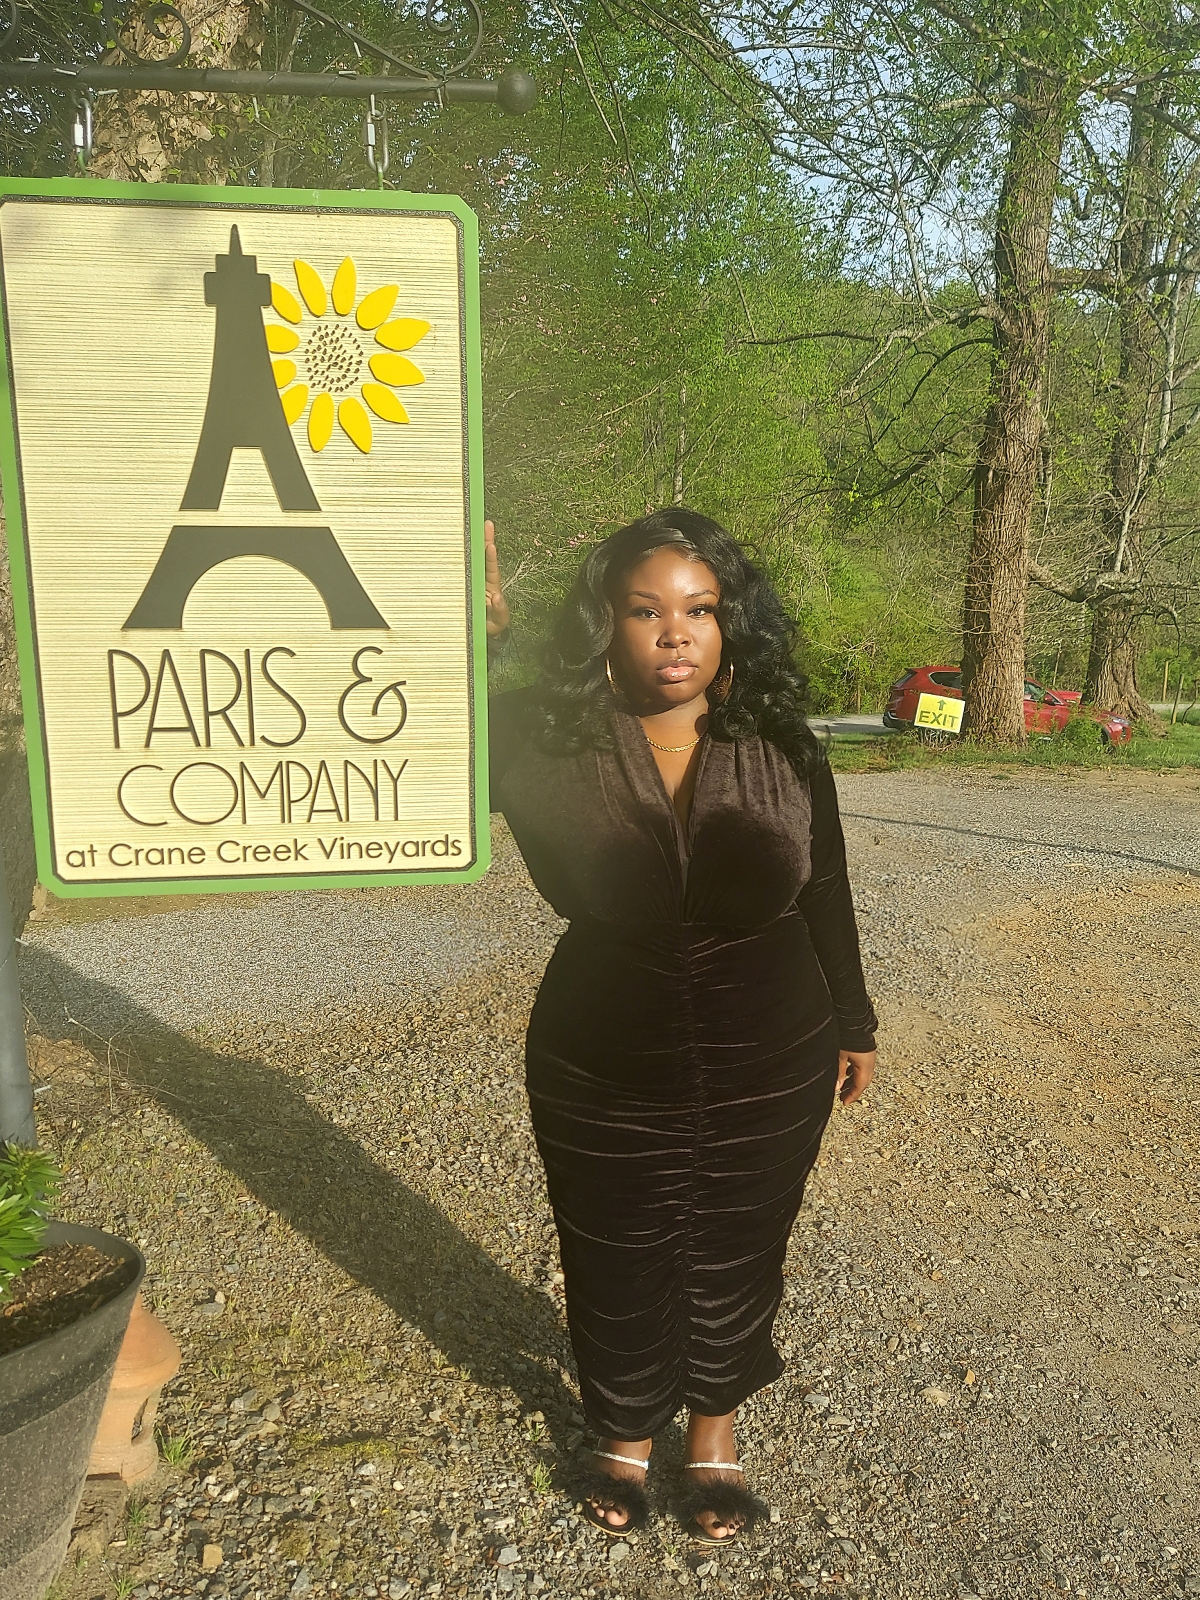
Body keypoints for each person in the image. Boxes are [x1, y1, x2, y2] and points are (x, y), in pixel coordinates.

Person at [483, 508, 877, 1546]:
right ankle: (619, 1423)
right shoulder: (541, 737)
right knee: (612, 1241)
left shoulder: (785, 738)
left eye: (700, 610)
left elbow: (824, 884)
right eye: (646, 610)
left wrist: (856, 1018)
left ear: (730, 623)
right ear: (604, 625)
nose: (676, 633)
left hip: (773, 1039)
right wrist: (475, 633)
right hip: (601, 1047)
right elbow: (420, 738)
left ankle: (712, 1428)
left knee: (743, 1241)